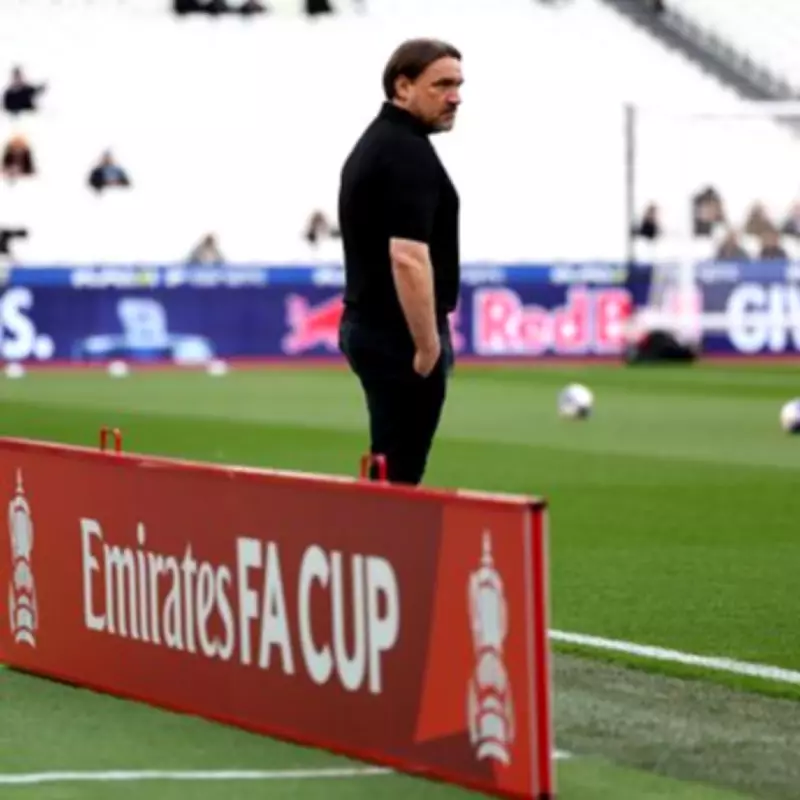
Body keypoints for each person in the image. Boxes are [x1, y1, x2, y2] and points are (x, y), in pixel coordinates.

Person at [337, 38, 463, 486]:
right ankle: (381, 554)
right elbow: (408, 257)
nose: (455, 97)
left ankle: (368, 551)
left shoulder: (381, 141)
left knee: (388, 462)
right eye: (442, 85)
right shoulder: (406, 152)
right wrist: (427, 344)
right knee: (400, 473)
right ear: (403, 86)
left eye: (458, 85)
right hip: (398, 333)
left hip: (372, 324)